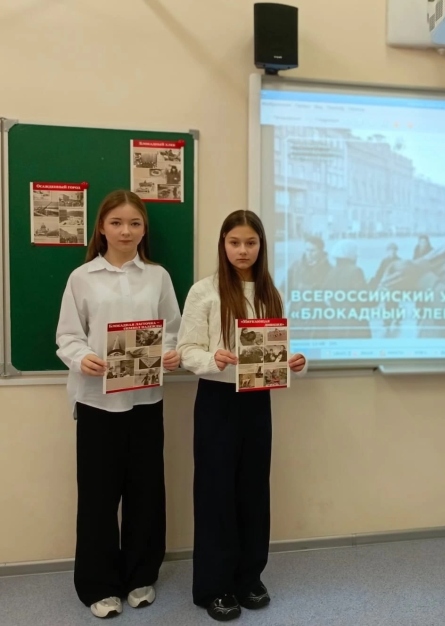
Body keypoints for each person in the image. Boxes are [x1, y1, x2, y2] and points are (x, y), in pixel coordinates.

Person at [55, 190, 182, 619]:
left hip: (146, 399)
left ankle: (140, 576)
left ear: (144, 230)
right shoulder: (82, 277)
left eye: (134, 223)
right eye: (117, 223)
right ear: (102, 228)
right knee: (98, 496)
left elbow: (172, 329)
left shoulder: (158, 277)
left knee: (146, 492)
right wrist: (81, 358)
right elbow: (67, 336)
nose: (125, 231)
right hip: (97, 402)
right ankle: (99, 584)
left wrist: (170, 352)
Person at [176, 210, 308, 622]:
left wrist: (294, 361)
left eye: (250, 243)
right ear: (223, 244)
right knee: (216, 492)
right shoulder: (204, 291)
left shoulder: (270, 292)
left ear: (261, 246)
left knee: (253, 491)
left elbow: (272, 350)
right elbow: (186, 350)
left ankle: (249, 577)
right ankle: (214, 587)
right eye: (234, 242)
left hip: (257, 399)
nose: (242, 250)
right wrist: (212, 359)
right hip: (217, 399)